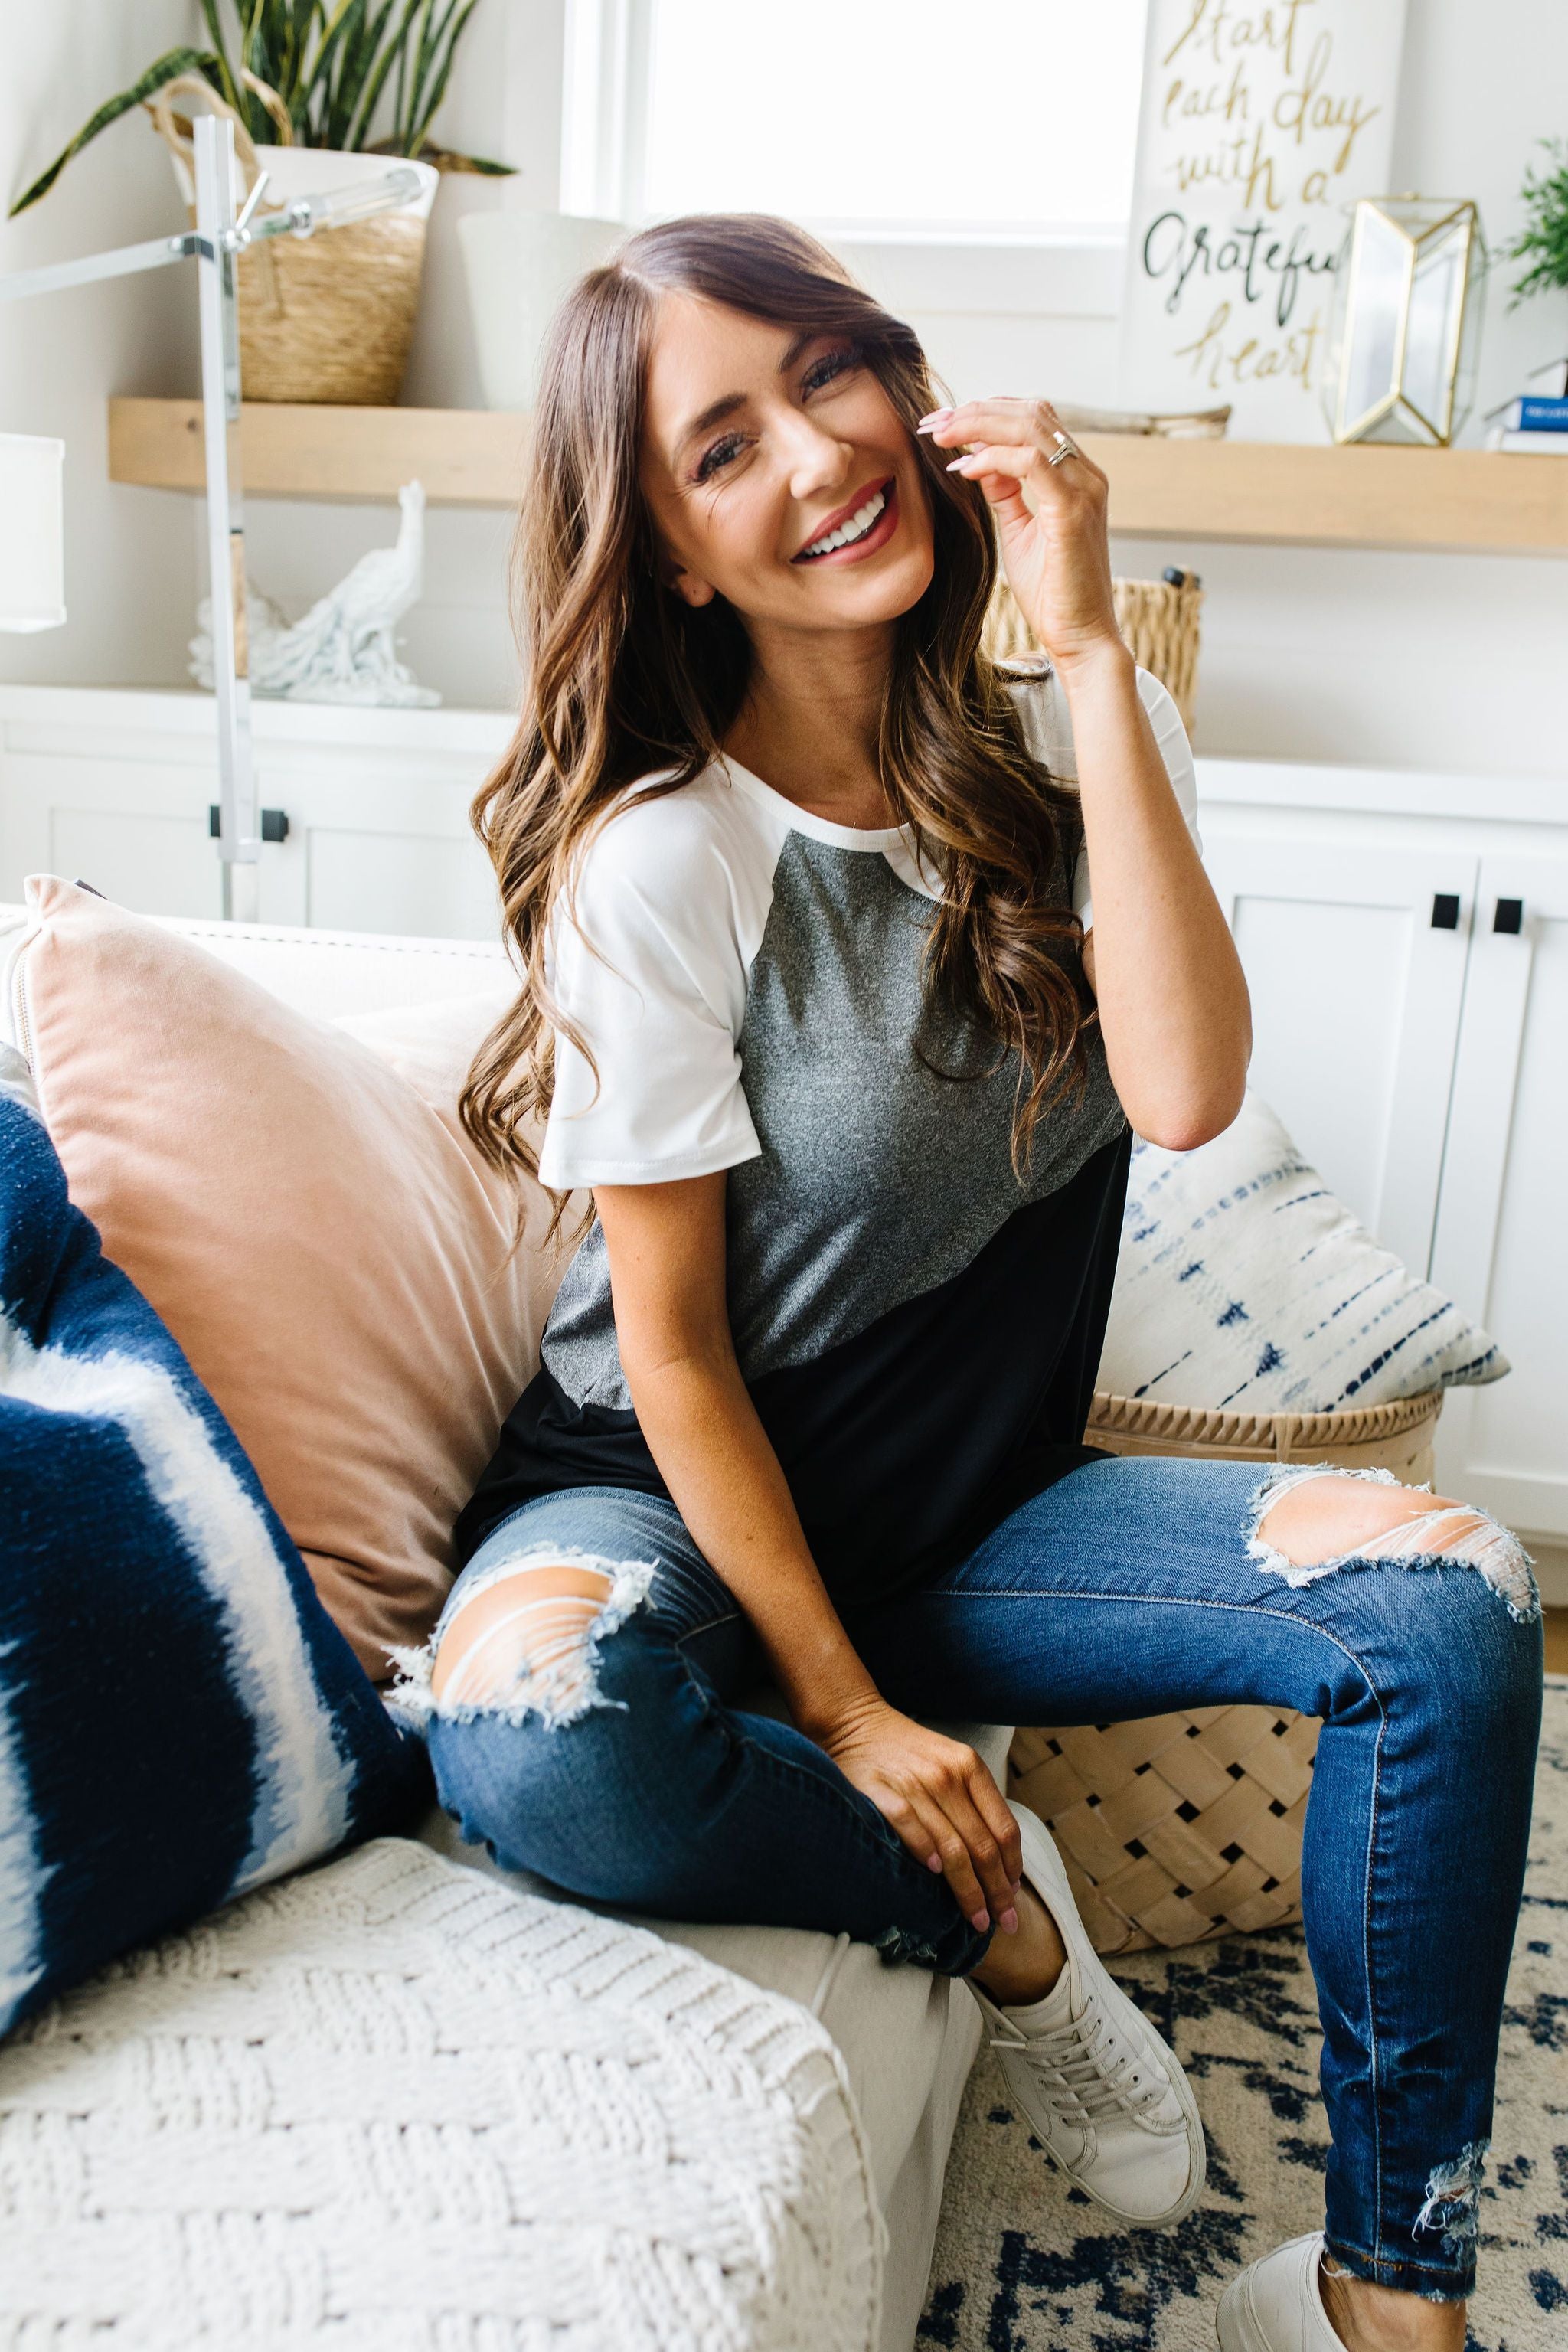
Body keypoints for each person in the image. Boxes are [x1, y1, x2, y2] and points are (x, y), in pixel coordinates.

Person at [390, 216, 1543, 2352]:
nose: (819, 456)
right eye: (722, 446)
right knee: (541, 1745)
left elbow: (1185, 1093)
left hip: (978, 1515)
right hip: (665, 1493)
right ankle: (1013, 1938)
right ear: (666, 555)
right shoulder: (667, 859)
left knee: (1457, 1608)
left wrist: (1097, 653)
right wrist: (846, 1716)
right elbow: (666, 1350)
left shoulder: (1076, 748)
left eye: (828, 376)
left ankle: (1392, 2296)